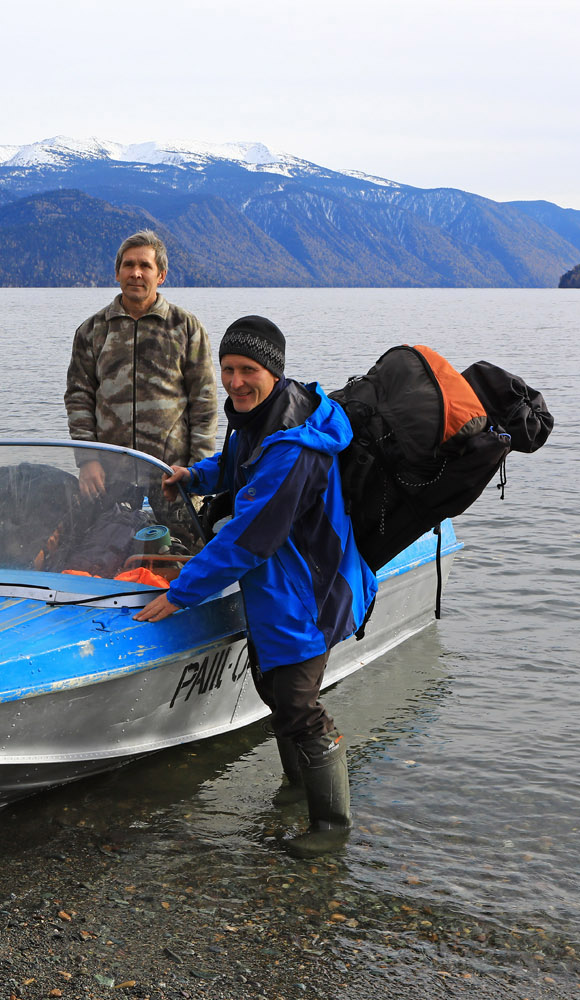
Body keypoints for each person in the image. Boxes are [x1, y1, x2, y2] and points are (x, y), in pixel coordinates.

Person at [133, 316, 377, 855]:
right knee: (273, 689)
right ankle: (297, 789)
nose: (236, 382)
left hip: (308, 591)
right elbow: (239, 463)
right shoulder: (261, 417)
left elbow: (248, 538)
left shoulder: (294, 447)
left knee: (298, 705)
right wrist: (196, 476)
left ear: (275, 371)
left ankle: (331, 829)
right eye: (227, 369)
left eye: (248, 370)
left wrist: (179, 593)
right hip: (277, 589)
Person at [64, 230, 217, 503]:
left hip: (171, 477)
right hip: (109, 479)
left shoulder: (186, 328)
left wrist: (197, 472)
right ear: (117, 273)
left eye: (145, 266)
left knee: (184, 534)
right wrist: (87, 460)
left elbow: (204, 403)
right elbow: (79, 398)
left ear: (161, 276)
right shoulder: (92, 330)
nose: (136, 273)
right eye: (128, 265)